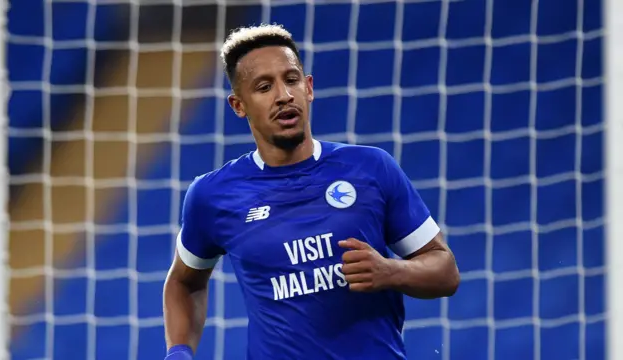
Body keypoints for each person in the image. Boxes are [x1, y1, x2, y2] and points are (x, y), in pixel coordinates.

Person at [163, 23, 460, 360]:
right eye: (264, 87)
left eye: (291, 80)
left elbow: (445, 271)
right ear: (238, 105)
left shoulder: (371, 168)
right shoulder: (212, 195)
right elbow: (184, 282)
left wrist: (393, 271)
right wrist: (179, 353)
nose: (283, 95)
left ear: (308, 88)